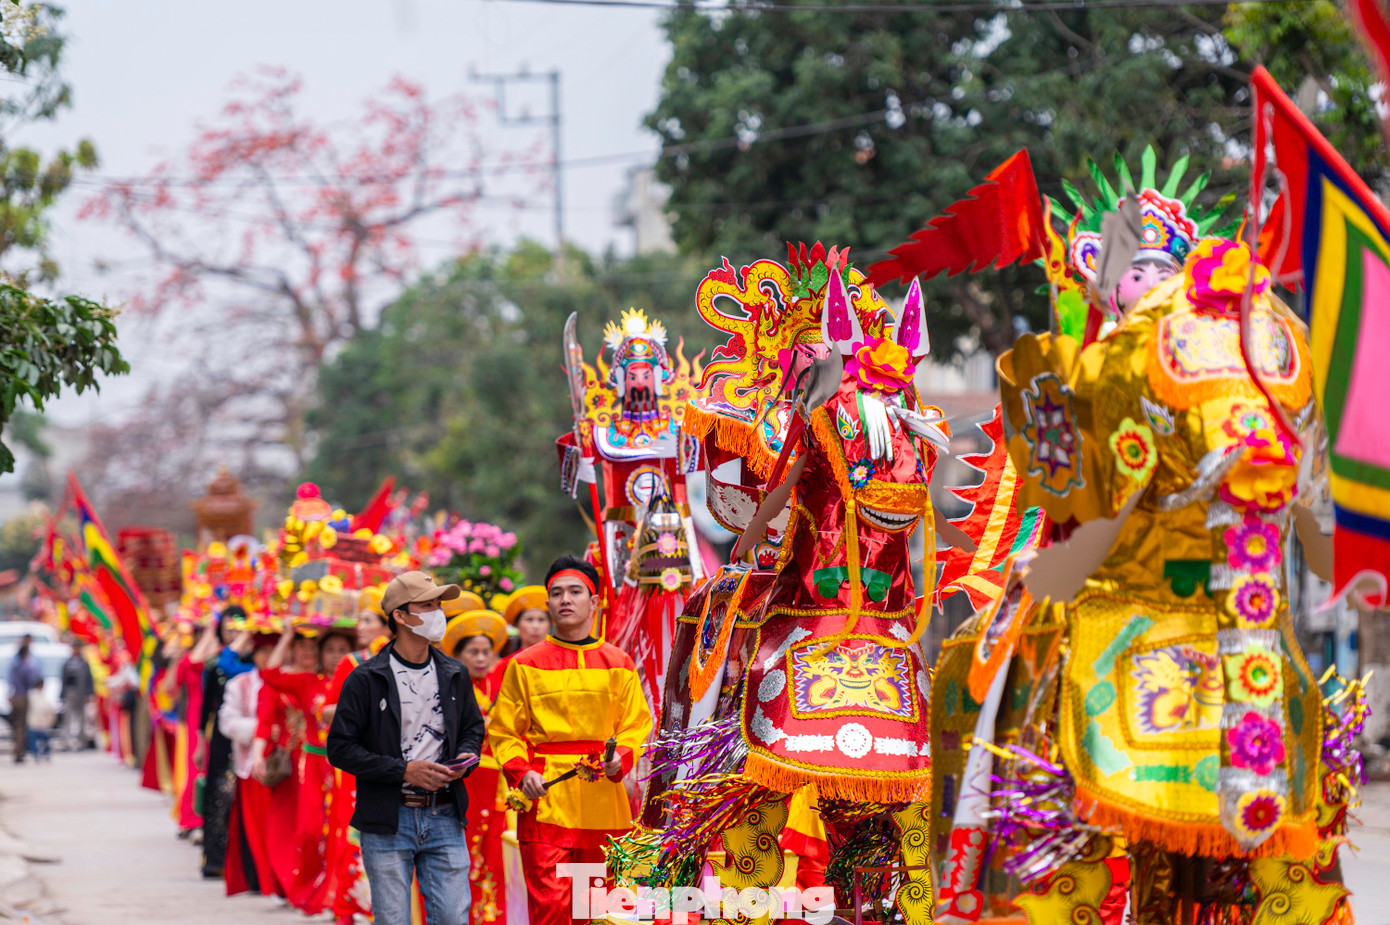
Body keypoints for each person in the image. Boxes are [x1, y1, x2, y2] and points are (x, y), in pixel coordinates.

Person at [489, 556, 653, 925]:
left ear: (594, 602)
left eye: (575, 592)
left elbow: (635, 724)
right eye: (556, 593)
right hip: (547, 799)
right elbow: (503, 730)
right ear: (547, 604)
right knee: (550, 907)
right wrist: (520, 771)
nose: (565, 599)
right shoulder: (525, 664)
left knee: (596, 909)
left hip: (604, 803)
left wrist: (621, 759)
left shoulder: (618, 662)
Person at [326, 570, 486, 925]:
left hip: (445, 813)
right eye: (426, 606)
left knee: (452, 918)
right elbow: (340, 747)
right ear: (400, 616)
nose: (437, 613)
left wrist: (464, 758)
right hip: (387, 818)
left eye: (438, 605)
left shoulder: (454, 672)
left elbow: (473, 728)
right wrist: (403, 770)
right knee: (393, 919)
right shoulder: (366, 678)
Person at [258, 613, 355, 915]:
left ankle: (339, 895)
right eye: (330, 650)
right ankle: (311, 889)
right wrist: (287, 634)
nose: (336, 656)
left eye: (343, 650)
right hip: (314, 765)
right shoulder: (307, 682)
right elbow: (270, 673)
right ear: (320, 654)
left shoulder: (359, 682)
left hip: (347, 768)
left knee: (342, 832)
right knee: (311, 831)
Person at [322, 585, 394, 924]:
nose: (360, 627)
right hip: (360, 757)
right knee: (354, 826)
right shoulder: (352, 662)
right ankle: (354, 902)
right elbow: (326, 711)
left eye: (368, 620)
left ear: (386, 625)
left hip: (394, 758)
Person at [442, 609, 509, 925]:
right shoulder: (449, 688)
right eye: (473, 652)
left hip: (497, 782)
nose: (481, 658)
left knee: (492, 854)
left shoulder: (501, 685)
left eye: (486, 652)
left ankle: (487, 917)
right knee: (462, 852)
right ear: (457, 655)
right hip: (463, 780)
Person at [221, 629, 282, 898]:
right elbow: (227, 722)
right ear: (255, 655)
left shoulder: (287, 679)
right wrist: (264, 728)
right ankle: (263, 880)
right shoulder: (241, 683)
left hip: (287, 765)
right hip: (252, 765)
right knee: (258, 828)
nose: (268, 657)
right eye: (263, 652)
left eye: (273, 651)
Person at [60, 635, 96, 750]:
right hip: (70, 692)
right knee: (68, 718)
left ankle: (81, 741)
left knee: (81, 718)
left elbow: (89, 679)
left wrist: (89, 693)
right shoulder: (67, 663)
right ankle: (66, 742)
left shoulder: (84, 663)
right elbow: (64, 680)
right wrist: (62, 695)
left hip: (81, 693)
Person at [8, 634, 40, 763]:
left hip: (15, 696)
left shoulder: (13, 665)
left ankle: (19, 750)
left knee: (16, 725)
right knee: (21, 726)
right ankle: (20, 751)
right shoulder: (25, 666)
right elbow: (31, 680)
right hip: (23, 697)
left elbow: (10, 681)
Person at [501, 587, 549, 656]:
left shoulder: (561, 662)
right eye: (529, 619)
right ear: (517, 625)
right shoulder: (507, 665)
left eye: (541, 620)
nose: (536, 626)